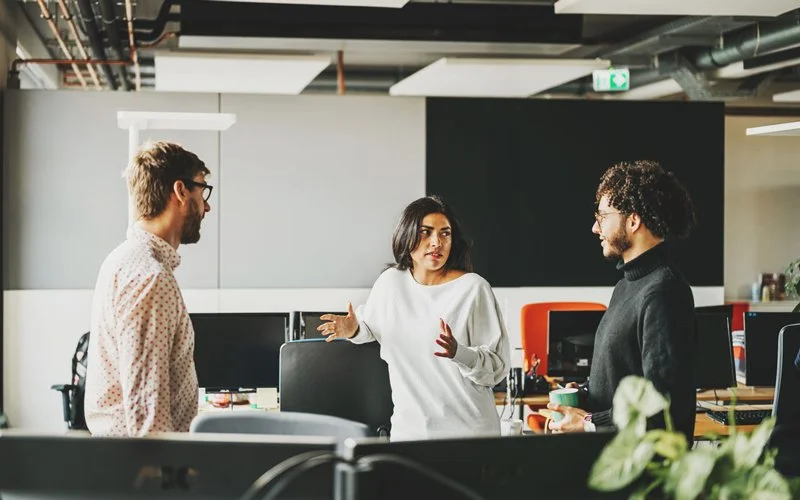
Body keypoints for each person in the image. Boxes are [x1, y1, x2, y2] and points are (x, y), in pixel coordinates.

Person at [318, 195, 510, 441]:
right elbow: (372, 327)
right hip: (410, 434)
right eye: (425, 232)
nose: (436, 242)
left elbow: (497, 367)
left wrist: (458, 352)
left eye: (444, 234)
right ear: (407, 235)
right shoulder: (390, 283)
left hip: (469, 433)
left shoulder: (473, 289)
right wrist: (352, 329)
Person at [549, 160, 698, 443]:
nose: (595, 227)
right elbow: (624, 375)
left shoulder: (664, 292)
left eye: (603, 216)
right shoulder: (625, 286)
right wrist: (585, 393)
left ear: (633, 220)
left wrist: (590, 423)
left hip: (644, 475)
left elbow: (663, 406)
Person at [84, 141, 212, 437]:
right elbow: (147, 419)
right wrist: (163, 477)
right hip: (146, 471)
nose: (207, 205)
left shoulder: (124, 259)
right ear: (181, 191)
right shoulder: (149, 278)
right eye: (202, 189)